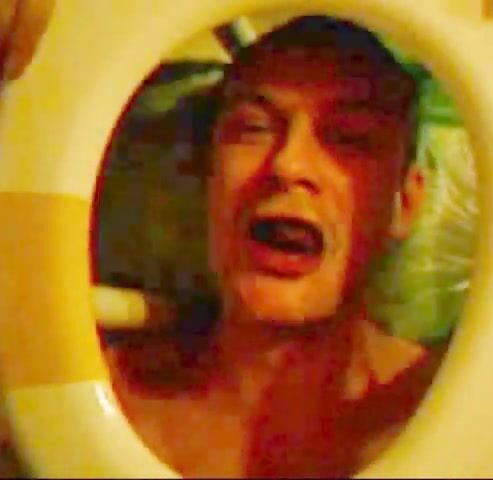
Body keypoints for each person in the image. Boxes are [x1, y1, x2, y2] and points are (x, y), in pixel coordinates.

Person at [104, 15, 439, 478]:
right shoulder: (87, 392)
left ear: (406, 203)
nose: (288, 164)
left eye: (350, 136)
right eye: (252, 128)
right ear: (208, 176)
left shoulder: (465, 400)